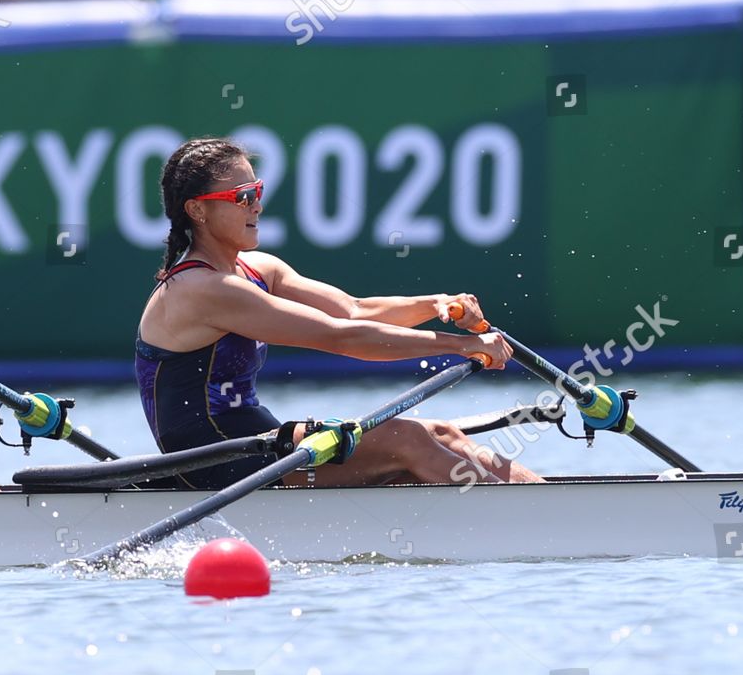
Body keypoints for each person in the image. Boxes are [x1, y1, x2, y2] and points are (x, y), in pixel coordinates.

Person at [135, 137, 543, 489]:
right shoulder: (200, 290)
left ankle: (545, 504)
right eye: (241, 197)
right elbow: (341, 337)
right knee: (408, 441)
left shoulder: (259, 270)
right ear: (197, 210)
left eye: (257, 191)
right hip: (210, 462)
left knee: (443, 433)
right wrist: (463, 345)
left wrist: (435, 304)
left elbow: (354, 310)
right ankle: (538, 523)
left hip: (257, 438)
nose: (256, 206)